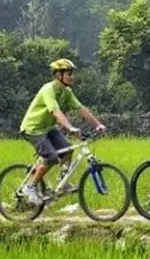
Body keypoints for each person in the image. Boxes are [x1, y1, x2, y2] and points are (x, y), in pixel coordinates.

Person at [19, 59, 107, 205]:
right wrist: (70, 128)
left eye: (72, 74)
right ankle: (30, 187)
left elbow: (82, 109)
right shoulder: (48, 89)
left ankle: (63, 181)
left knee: (68, 150)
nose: (72, 77)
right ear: (58, 75)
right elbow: (55, 111)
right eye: (69, 74)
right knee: (52, 158)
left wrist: (98, 124)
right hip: (33, 129)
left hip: (48, 128)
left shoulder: (66, 92)